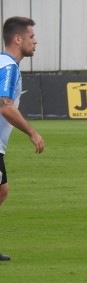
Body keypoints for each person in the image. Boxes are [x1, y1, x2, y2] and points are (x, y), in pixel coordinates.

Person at [0, 17, 45, 261]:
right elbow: (4, 106)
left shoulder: (4, 64)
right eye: (31, 37)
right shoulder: (7, 66)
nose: (35, 41)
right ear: (18, 39)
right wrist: (32, 132)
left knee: (1, 191)